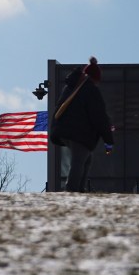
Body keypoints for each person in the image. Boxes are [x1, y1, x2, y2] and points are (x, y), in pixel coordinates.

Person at [49, 56, 114, 192]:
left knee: (86, 158)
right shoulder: (90, 90)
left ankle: (79, 189)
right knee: (79, 160)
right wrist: (108, 141)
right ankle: (72, 190)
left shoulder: (72, 85)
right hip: (78, 133)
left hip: (63, 130)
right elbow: (99, 117)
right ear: (95, 78)